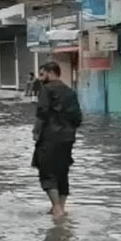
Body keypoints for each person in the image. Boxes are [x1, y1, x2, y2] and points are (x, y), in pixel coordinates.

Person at [31, 62, 83, 219]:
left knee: (47, 171)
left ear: (51, 72)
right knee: (62, 171)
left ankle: (57, 209)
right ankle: (60, 207)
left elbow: (42, 113)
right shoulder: (70, 92)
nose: (40, 78)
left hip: (50, 137)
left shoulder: (46, 90)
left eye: (42, 74)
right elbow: (77, 118)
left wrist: (36, 131)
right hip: (67, 138)